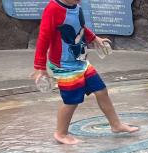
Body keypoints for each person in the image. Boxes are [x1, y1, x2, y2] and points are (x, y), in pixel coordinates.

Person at [30, 0, 138, 145]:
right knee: (71, 100)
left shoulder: (76, 7)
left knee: (101, 90)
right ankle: (61, 133)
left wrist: (94, 38)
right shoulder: (53, 9)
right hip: (65, 66)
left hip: (80, 62)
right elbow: (43, 39)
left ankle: (116, 124)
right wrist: (40, 67)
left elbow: (80, 28)